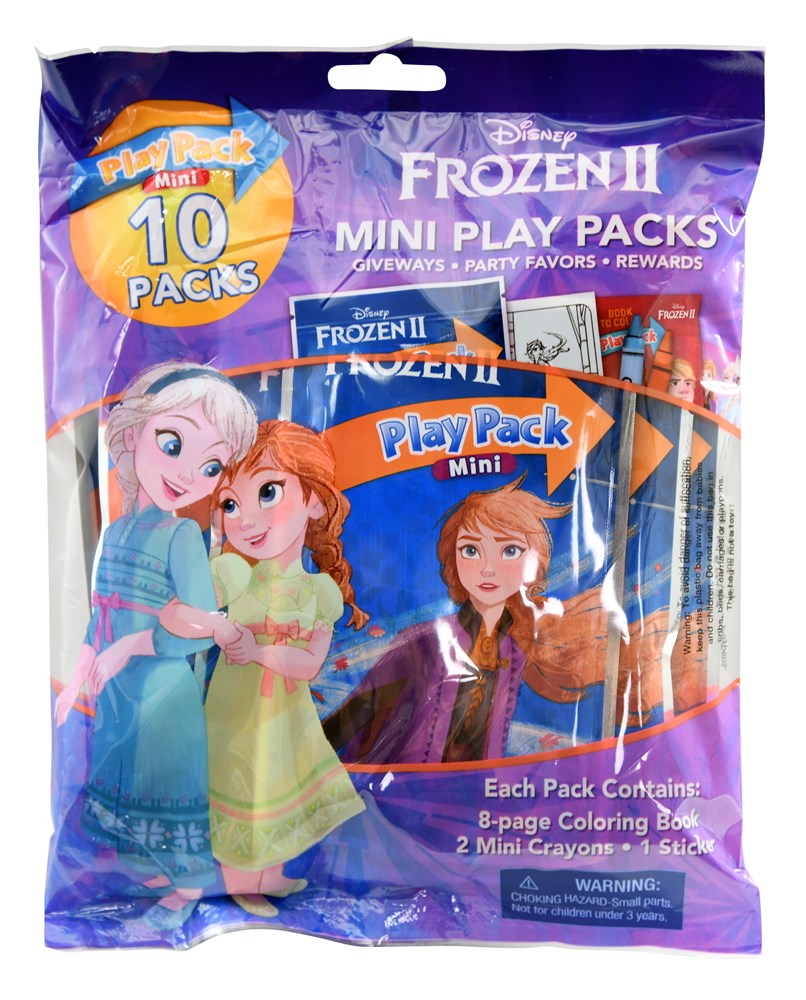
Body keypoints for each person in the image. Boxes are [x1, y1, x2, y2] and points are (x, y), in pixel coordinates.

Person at [55, 362, 257, 910]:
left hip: (165, 696)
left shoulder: (183, 534)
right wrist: (78, 675)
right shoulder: (116, 533)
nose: (188, 475)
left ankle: (187, 887)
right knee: (130, 793)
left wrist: (131, 647)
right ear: (132, 434)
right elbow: (98, 615)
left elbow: (200, 628)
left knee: (167, 788)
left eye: (211, 466)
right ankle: (153, 876)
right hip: (117, 694)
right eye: (172, 444)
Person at [160, 420, 368, 917]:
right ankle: (235, 880)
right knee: (239, 786)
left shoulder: (320, 592)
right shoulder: (234, 573)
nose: (246, 519)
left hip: (288, 721)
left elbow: (311, 663)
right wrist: (215, 626)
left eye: (268, 492)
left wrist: (257, 651)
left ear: (314, 501)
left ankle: (267, 874)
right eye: (230, 504)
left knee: (278, 791)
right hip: (236, 718)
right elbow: (174, 612)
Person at [323, 475, 618, 765]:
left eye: (510, 550)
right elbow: (363, 705)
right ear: (452, 556)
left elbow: (492, 737)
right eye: (471, 550)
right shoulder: (425, 641)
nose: (488, 569)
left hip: (475, 788)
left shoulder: (513, 652)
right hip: (407, 782)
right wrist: (307, 764)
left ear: (534, 562)